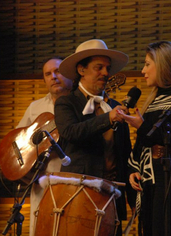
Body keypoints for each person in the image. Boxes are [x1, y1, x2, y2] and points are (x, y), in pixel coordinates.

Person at [117, 41, 171, 235]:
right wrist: (133, 169)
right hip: (149, 179)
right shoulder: (153, 100)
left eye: (147, 64)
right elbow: (142, 143)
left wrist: (142, 126)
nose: (142, 70)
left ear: (163, 64)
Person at [54, 39, 136, 235]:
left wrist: (133, 199)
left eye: (107, 68)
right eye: (99, 67)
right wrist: (108, 118)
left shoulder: (114, 105)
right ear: (81, 70)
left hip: (112, 197)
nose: (106, 73)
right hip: (79, 196)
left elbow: (125, 153)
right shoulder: (66, 103)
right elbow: (71, 132)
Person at [16, 56, 73, 236]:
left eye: (58, 71)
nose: (53, 77)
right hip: (40, 181)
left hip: (71, 180)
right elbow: (18, 142)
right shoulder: (35, 107)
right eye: (48, 74)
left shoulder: (80, 105)